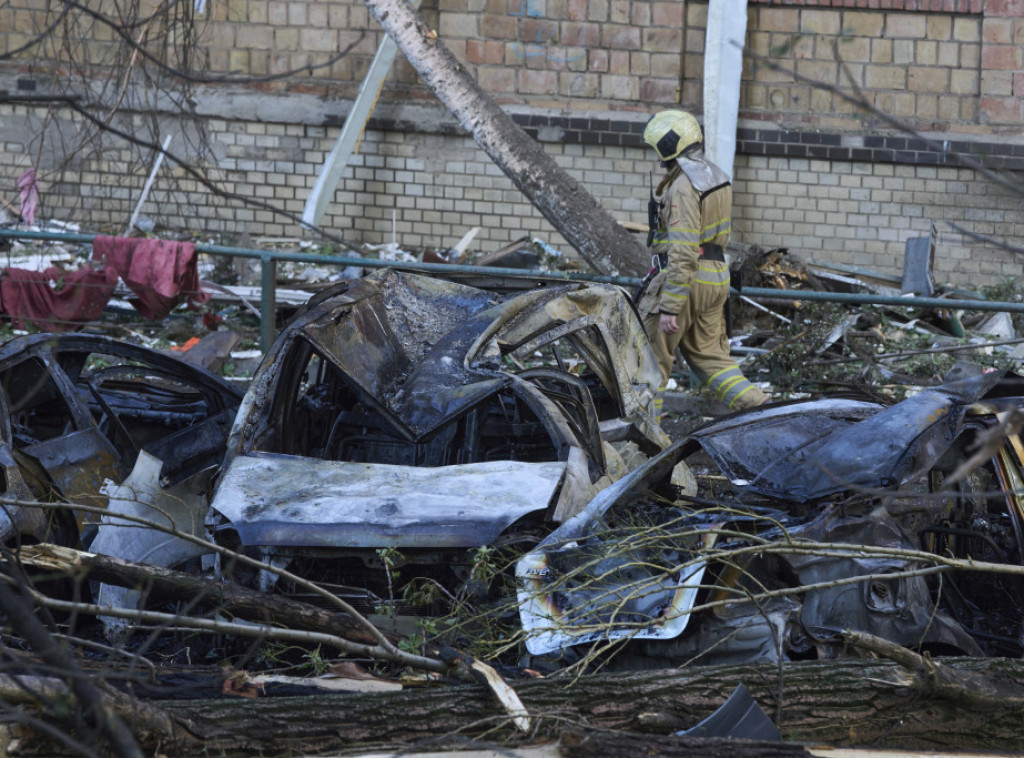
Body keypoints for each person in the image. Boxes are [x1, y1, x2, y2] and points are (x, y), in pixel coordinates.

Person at [637, 109, 768, 416]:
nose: (657, 156)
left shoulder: (683, 185)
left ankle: (643, 439)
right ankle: (759, 409)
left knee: (648, 362)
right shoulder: (716, 176)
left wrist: (670, 305)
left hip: (686, 281)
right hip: (715, 278)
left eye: (658, 148)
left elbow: (684, 249)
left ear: (668, 145)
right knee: (713, 359)